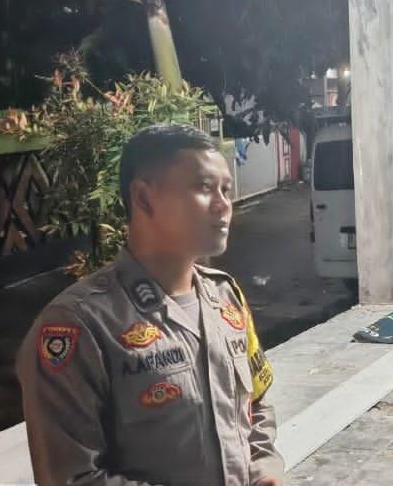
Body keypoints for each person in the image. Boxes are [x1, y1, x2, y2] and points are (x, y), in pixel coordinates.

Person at [17, 123, 283, 486]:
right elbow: (71, 478)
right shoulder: (80, 325)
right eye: (204, 187)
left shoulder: (226, 298)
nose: (224, 205)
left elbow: (257, 399)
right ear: (143, 198)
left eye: (225, 189)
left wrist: (264, 462)